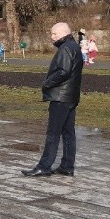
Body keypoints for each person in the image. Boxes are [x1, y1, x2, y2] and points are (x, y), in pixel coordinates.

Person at [22, 22, 83, 177]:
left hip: (60, 97)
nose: (51, 37)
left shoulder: (66, 48)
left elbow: (63, 71)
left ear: (63, 33)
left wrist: (47, 83)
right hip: (70, 97)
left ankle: (44, 166)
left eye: (54, 34)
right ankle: (67, 167)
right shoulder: (74, 46)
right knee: (68, 133)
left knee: (53, 133)